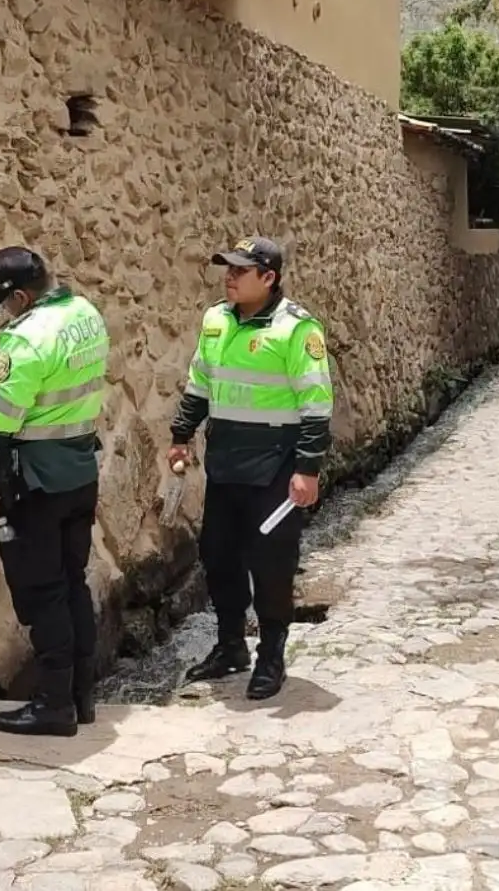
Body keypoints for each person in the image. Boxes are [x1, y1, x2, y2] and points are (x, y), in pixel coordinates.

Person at [168, 236, 333, 701]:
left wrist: (308, 468)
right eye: (228, 269)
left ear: (268, 277)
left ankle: (273, 655)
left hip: (275, 469)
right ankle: (230, 646)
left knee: (271, 564)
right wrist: (181, 435)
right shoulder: (216, 320)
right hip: (225, 464)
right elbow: (199, 383)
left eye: (240, 270)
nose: (229, 277)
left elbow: (317, 404)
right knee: (218, 557)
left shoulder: (297, 330)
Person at [0, 246, 109, 738]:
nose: (5, 313)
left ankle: (52, 706)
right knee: (72, 582)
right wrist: (3, 354)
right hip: (79, 471)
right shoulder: (82, 312)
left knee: (42, 592)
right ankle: (81, 696)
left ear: (22, 297)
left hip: (36, 481)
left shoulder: (26, 339)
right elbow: (56, 374)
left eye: (6, 304)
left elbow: (1, 416)